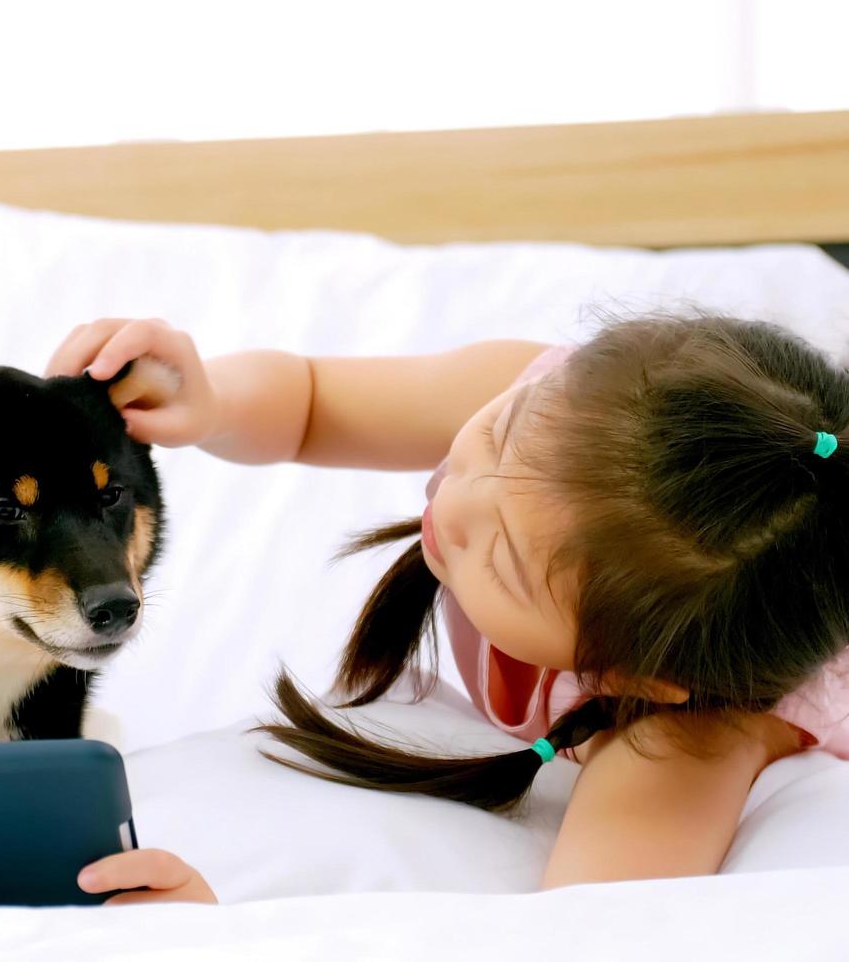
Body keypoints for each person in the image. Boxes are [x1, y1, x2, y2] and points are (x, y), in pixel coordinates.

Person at [47, 311, 849, 897]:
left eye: (501, 559)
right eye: (494, 438)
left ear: (634, 672)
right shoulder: (558, 412)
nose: (453, 503)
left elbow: (590, 935)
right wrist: (210, 399)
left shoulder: (682, 740)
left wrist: (222, 934)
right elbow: (314, 400)